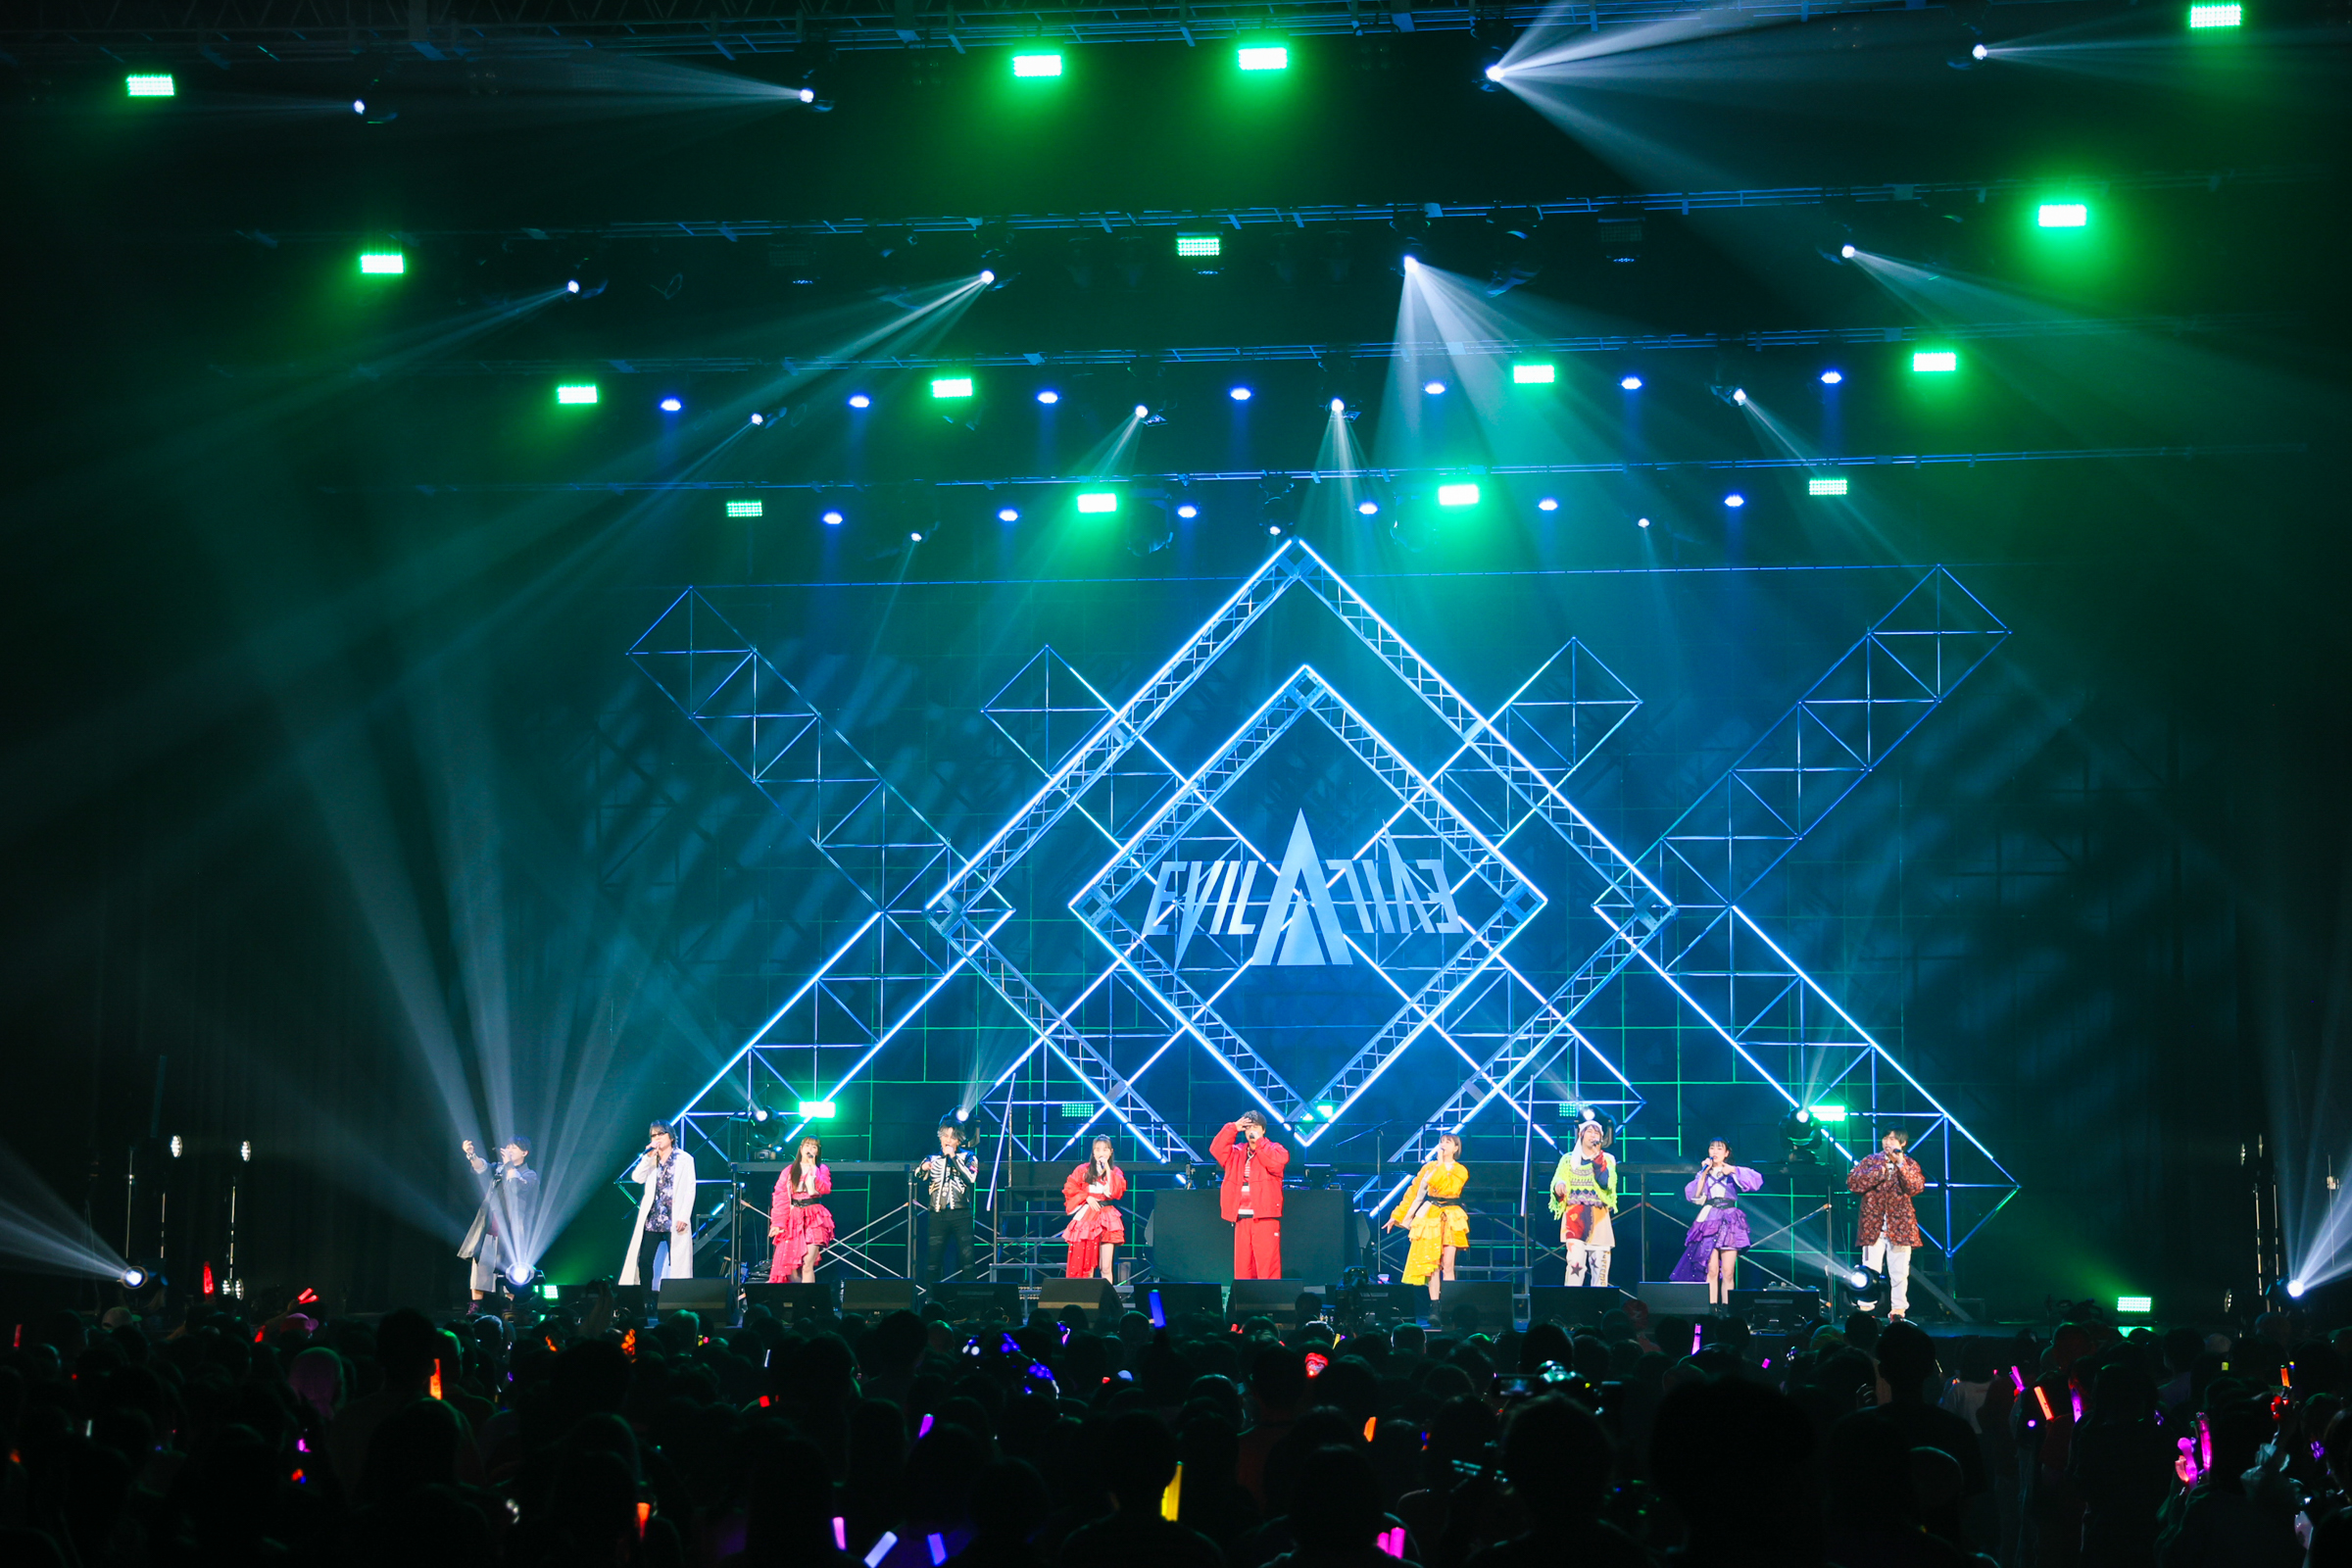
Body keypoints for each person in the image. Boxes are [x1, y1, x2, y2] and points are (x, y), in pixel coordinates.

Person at [1671, 1138, 1764, 1304]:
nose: (1715, 1151)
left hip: (1730, 1220)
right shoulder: (1704, 1173)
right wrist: (1703, 1173)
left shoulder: (1734, 1171)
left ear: (1726, 1153)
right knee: (1712, 1270)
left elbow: (1755, 1181)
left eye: (1719, 1148)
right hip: (1710, 1219)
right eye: (1712, 1148)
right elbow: (1695, 1196)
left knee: (1728, 1271)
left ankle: (1727, 1308)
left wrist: (1733, 1170)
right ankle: (1711, 1308)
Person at [1846, 1127, 1927, 1319]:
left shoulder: (1909, 1164)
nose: (1888, 1142)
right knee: (1869, 1271)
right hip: (1873, 1226)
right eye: (1885, 1138)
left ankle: (1898, 1310)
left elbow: (1915, 1187)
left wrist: (1900, 1164)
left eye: (1892, 1139)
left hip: (1900, 1227)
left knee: (1899, 1272)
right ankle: (1866, 1308)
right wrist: (1880, 1170)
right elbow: (1853, 1183)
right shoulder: (1871, 1161)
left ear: (1902, 1143)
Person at [1387, 1133, 1468, 1312]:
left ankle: (1449, 1305)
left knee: (1448, 1264)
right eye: (1441, 1142)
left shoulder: (1460, 1170)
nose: (1443, 1145)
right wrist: (1397, 1215)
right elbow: (1415, 1193)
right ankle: (1435, 1306)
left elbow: (1447, 1187)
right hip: (1430, 1216)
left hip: (1451, 1216)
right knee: (1432, 1265)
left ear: (1456, 1148)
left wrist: (1440, 1164)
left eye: (1448, 1142)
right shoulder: (1428, 1167)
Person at [456, 1134, 538, 1308]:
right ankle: (475, 1307)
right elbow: (482, 1167)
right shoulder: (499, 1168)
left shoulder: (529, 1175)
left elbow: (517, 1187)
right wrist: (471, 1154)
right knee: (481, 1267)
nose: (509, 1150)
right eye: (508, 1147)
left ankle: (511, 1307)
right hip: (490, 1226)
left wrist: (508, 1165)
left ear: (525, 1153)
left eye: (514, 1147)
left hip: (512, 1231)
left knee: (511, 1270)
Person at [1211, 1109, 1289, 1281]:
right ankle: (1244, 1298)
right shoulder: (1236, 1152)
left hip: (1265, 1218)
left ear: (1263, 1130)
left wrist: (1259, 1143)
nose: (1251, 1131)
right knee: (1243, 1268)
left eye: (1255, 1127)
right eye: (1248, 1128)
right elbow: (1216, 1149)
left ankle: (1270, 1298)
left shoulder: (1276, 1149)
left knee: (1267, 1267)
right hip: (1241, 1218)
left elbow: (1275, 1163)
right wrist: (1233, 1128)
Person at [618, 1120, 696, 1286]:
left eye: (661, 1133)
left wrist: (684, 1216)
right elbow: (637, 1178)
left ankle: (677, 1296)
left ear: (671, 1137)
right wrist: (647, 1157)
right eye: (653, 1135)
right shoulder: (651, 1158)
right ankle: (647, 1297)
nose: (657, 1138)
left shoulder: (685, 1159)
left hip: (674, 1217)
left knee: (677, 1262)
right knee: (645, 1260)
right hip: (653, 1218)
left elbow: (690, 1190)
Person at [1547, 1110, 1617, 1287]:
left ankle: (1600, 1301)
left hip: (1598, 1219)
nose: (1593, 1135)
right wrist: (1559, 1186)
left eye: (1597, 1132)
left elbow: (1606, 1184)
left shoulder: (1607, 1159)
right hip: (1574, 1219)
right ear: (1581, 1135)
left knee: (1600, 1269)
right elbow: (1558, 1179)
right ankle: (1571, 1300)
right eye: (1589, 1131)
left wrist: (1598, 1160)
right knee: (1575, 1266)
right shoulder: (1568, 1159)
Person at [918, 1119, 982, 1287]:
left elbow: (971, 1178)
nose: (948, 1140)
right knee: (933, 1261)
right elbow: (918, 1175)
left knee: (967, 1261)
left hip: (961, 1215)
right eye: (945, 1136)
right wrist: (923, 1168)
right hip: (937, 1215)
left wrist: (953, 1158)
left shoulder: (969, 1157)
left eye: (953, 1137)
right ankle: (931, 1298)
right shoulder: (932, 1158)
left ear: (959, 1140)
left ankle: (970, 1297)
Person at [1061, 1135, 1128, 1281]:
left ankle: (1107, 1295)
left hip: (1108, 1217)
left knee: (1106, 1267)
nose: (1101, 1153)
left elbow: (1116, 1192)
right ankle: (1086, 1295)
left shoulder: (1115, 1172)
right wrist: (1086, 1197)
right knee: (1087, 1266)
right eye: (1097, 1149)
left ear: (1111, 1152)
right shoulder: (1082, 1170)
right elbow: (1070, 1188)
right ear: (1093, 1152)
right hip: (1088, 1217)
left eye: (1105, 1149)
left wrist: (1108, 1170)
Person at [771, 1136, 834, 1284]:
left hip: (814, 1216)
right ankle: (797, 1296)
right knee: (791, 1268)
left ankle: (808, 1297)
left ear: (818, 1151)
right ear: (801, 1149)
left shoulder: (821, 1169)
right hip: (794, 1218)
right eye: (807, 1145)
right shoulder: (789, 1171)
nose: (810, 1149)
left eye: (814, 1147)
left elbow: (824, 1189)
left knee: (807, 1264)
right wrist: (778, 1223)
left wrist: (813, 1169)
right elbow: (780, 1197)